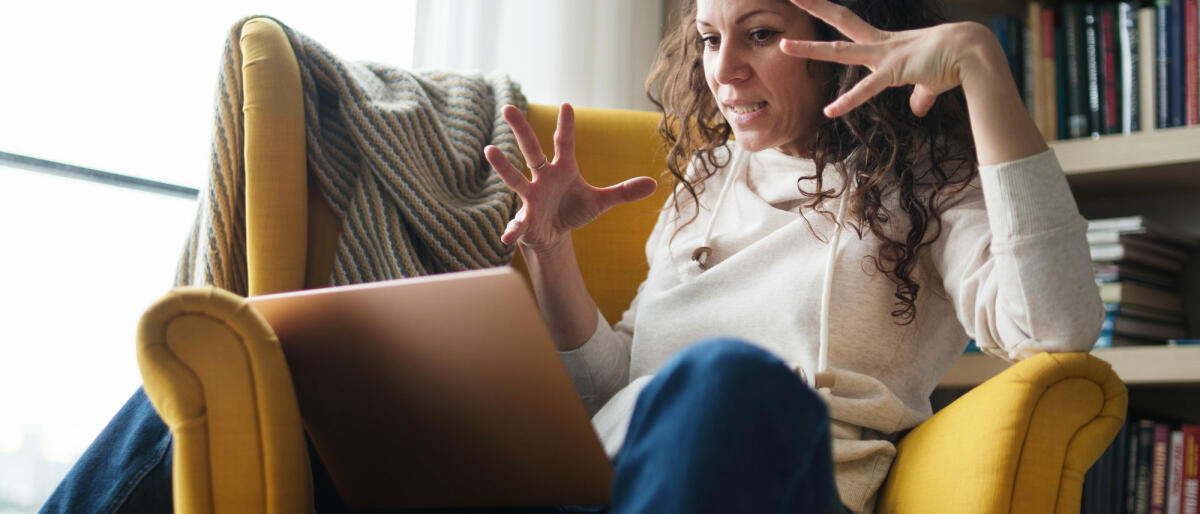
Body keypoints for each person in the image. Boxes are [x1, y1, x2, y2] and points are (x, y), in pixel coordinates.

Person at [43, 0, 1102, 512]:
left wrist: (978, 69)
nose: (724, 69)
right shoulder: (705, 185)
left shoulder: (935, 193)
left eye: (762, 34)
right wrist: (552, 261)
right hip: (595, 484)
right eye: (708, 34)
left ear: (851, 26)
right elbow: (619, 380)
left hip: (766, 476)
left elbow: (1058, 325)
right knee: (258, 365)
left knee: (724, 380)